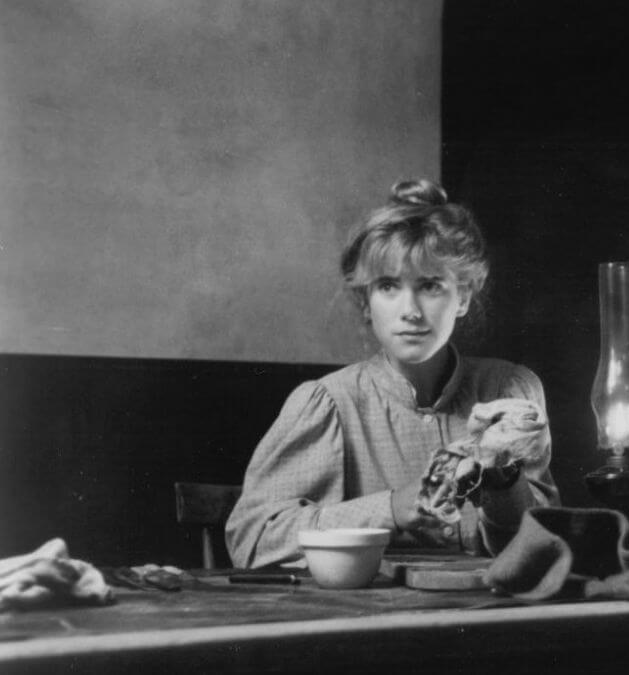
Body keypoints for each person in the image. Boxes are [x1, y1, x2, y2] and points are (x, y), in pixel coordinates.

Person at [226, 179, 559, 569]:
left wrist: (504, 482)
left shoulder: (510, 390)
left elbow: (545, 543)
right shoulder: (329, 403)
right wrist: (389, 510)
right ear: (366, 302)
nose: (411, 311)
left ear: (464, 296)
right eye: (388, 286)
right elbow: (252, 539)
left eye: (431, 286)